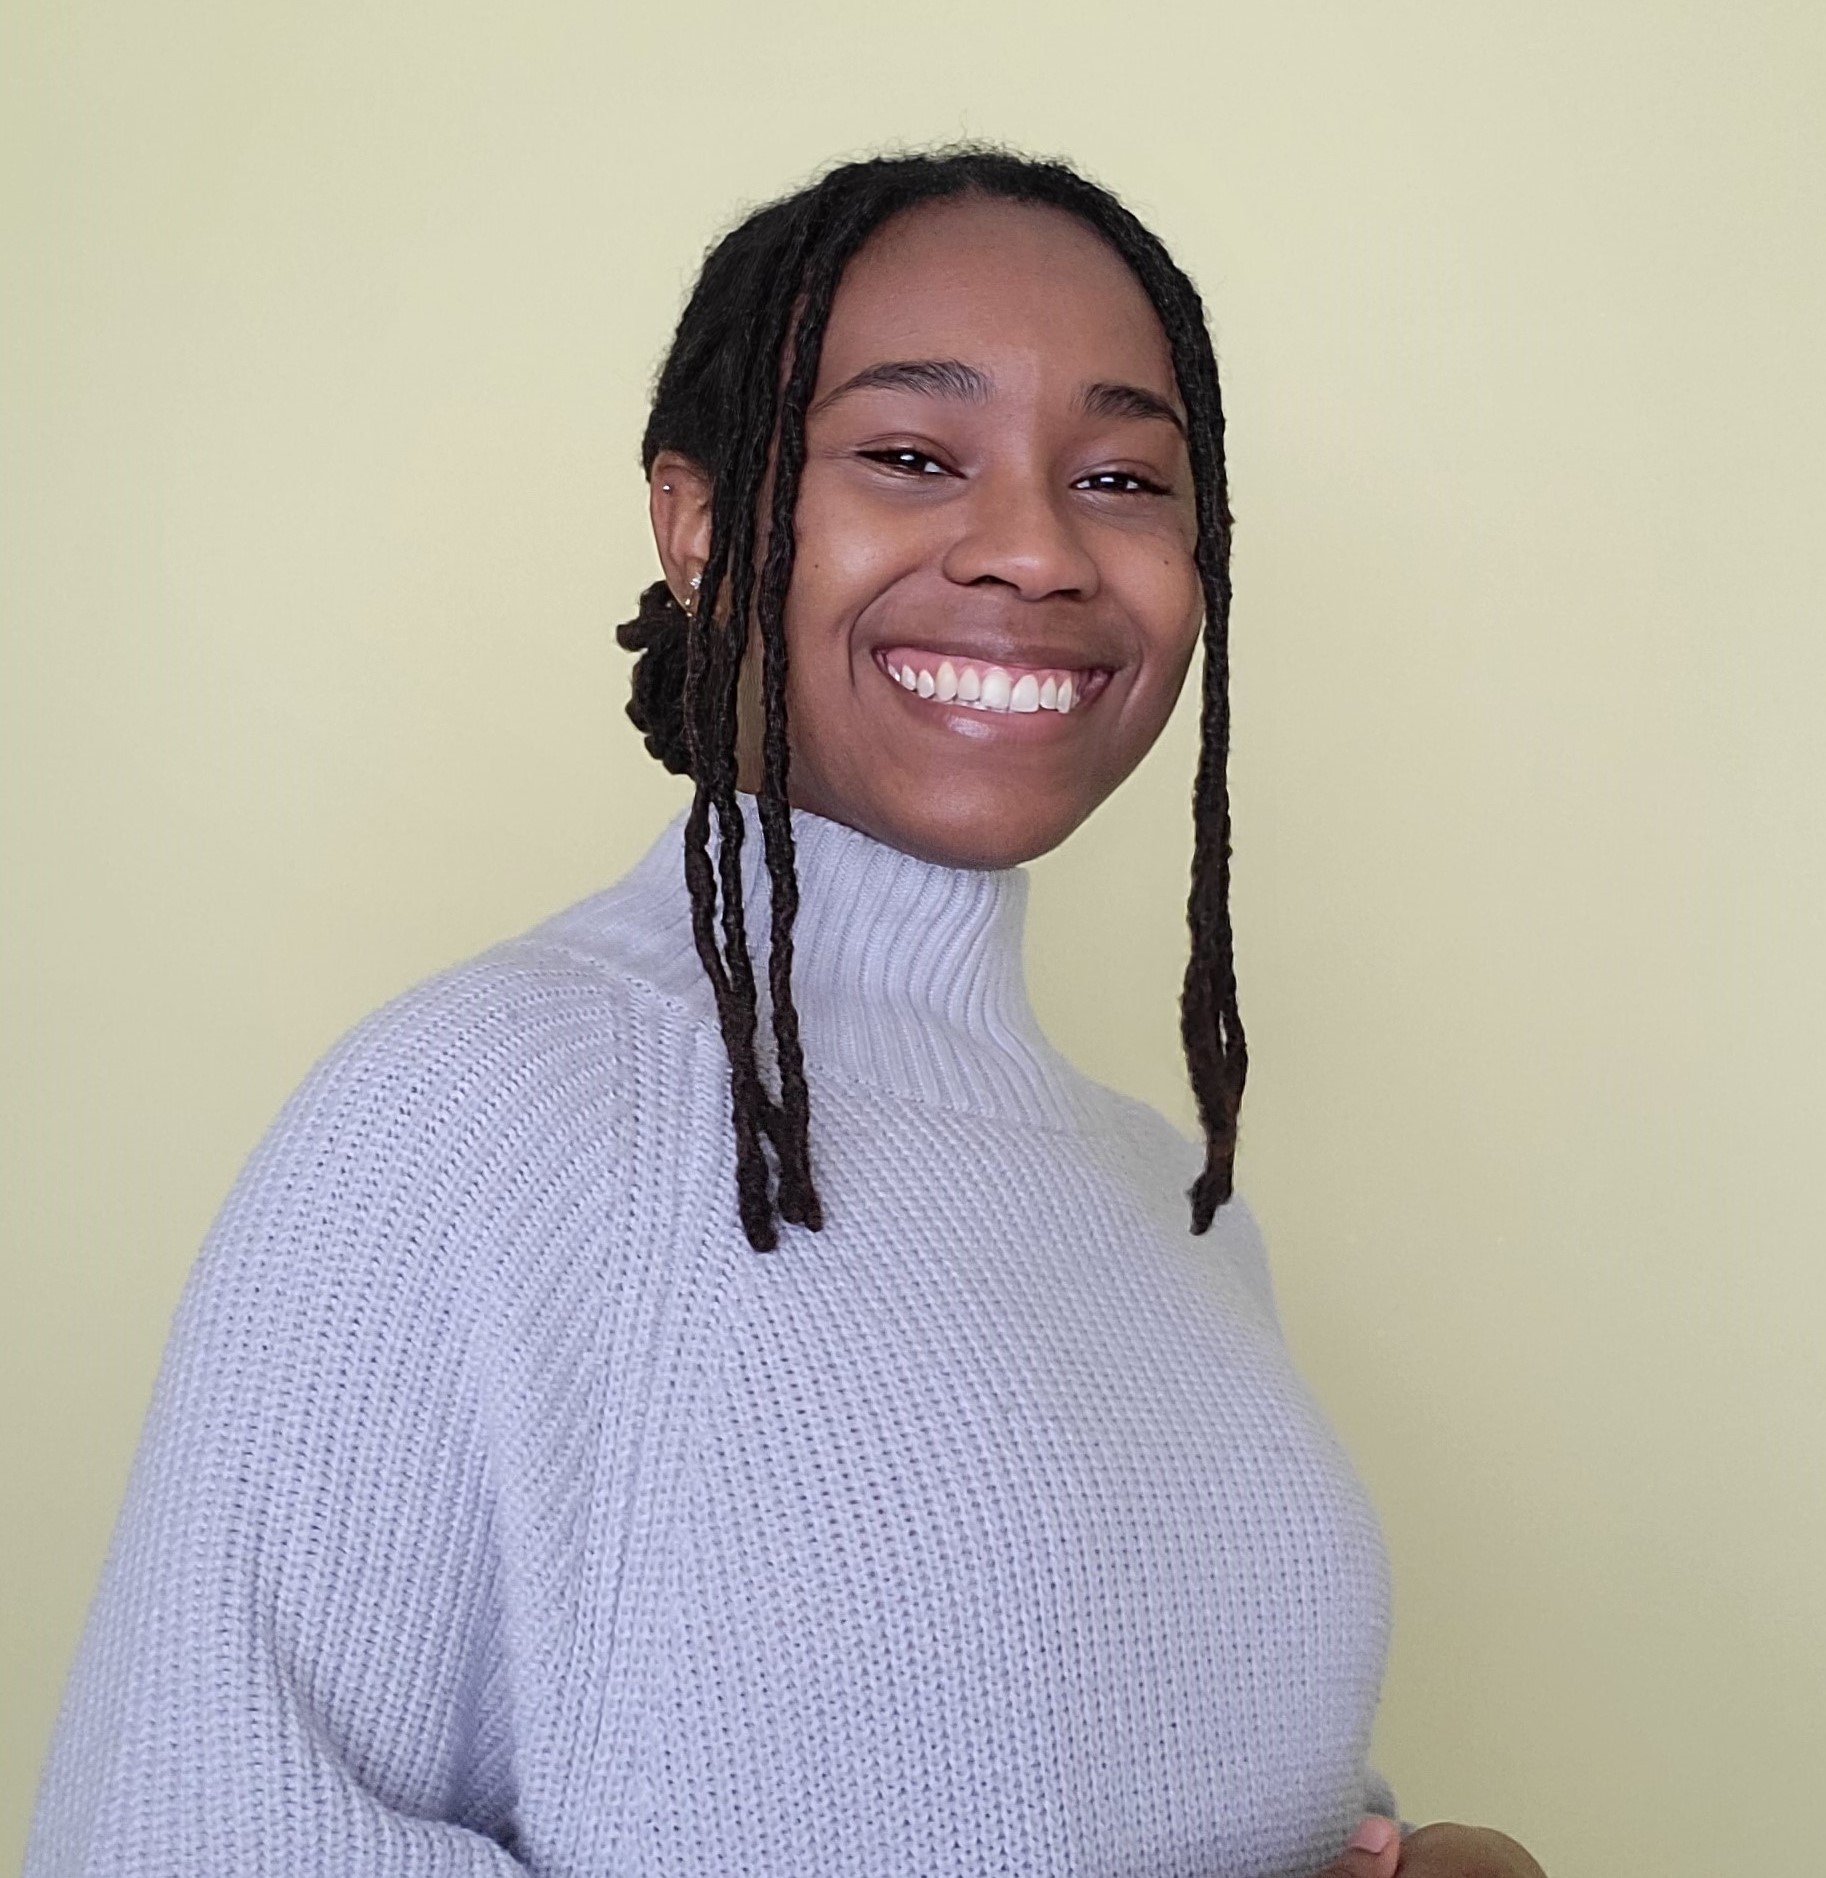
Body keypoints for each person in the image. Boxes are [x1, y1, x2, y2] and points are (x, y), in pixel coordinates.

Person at [26, 147, 1546, 1878]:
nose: (1039, 549)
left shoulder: (1172, 1202)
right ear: (697, 525)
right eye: (910, 455)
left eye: (1123, 475)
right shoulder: (473, 1116)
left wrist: (1431, 1855)